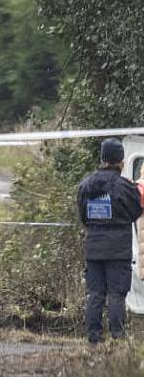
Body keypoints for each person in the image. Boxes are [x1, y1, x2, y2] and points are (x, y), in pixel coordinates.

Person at [76, 138, 143, 344]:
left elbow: (83, 217)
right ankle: (117, 337)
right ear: (121, 161)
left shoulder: (85, 185)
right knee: (117, 294)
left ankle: (94, 337)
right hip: (117, 250)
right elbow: (136, 212)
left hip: (93, 248)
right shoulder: (125, 187)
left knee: (95, 294)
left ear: (102, 159)